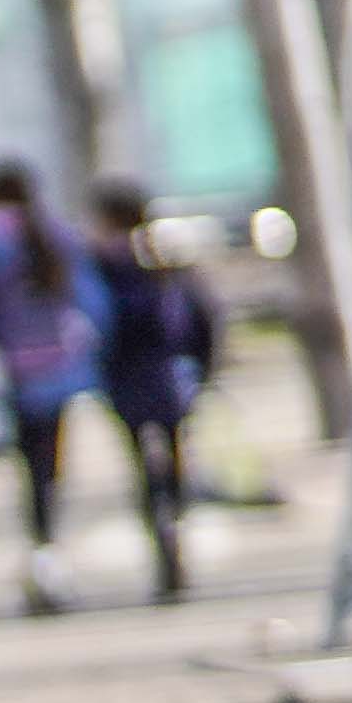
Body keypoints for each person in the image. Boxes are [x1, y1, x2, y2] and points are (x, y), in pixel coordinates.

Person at [0, 157, 108, 615]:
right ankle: (49, 551)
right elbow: (91, 302)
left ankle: (40, 555)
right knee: (49, 465)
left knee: (24, 470)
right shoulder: (56, 235)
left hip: (3, 374)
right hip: (57, 369)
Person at [87, 178, 217, 604]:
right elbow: (203, 316)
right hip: (172, 372)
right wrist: (205, 368)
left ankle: (162, 532)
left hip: (126, 376)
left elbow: (94, 323)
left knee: (142, 463)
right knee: (175, 453)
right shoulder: (165, 254)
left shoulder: (102, 264)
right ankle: (175, 523)